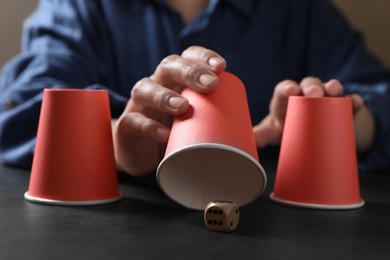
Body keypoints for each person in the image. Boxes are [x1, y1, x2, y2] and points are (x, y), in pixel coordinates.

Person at [0, 0, 389, 175]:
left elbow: (376, 94)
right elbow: (21, 110)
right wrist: (116, 135)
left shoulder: (299, 10)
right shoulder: (81, 7)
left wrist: (336, 126)